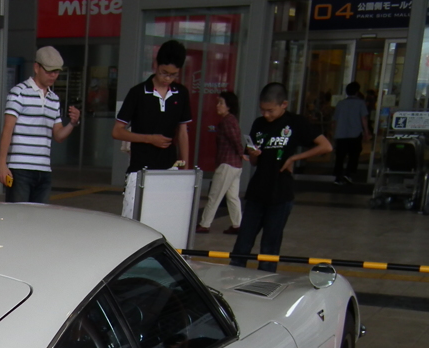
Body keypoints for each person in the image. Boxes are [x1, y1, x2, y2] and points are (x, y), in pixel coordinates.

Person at [232, 82, 332, 271]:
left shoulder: (295, 122)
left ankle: (264, 282)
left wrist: (295, 157)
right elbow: (254, 162)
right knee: (243, 243)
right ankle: (233, 276)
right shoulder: (259, 124)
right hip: (257, 191)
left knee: (270, 245)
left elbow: (325, 146)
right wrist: (253, 156)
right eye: (262, 110)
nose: (266, 115)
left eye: (270, 110)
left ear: (283, 104)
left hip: (280, 193)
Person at [113, 40, 193, 219]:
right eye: (164, 73)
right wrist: (149, 139)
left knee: (164, 221)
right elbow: (117, 131)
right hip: (140, 169)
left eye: (173, 75)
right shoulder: (138, 93)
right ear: (155, 64)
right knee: (132, 221)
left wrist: (186, 169)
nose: (167, 78)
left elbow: (182, 132)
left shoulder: (181, 93)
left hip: (169, 169)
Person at [0, 46, 81, 203]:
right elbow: (7, 129)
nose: (53, 75)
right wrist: (2, 164)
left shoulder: (54, 99)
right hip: (20, 168)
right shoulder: (18, 92)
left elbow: (58, 135)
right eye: (49, 71)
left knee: (39, 220)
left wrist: (73, 123)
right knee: (18, 218)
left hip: (43, 169)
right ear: (36, 67)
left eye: (56, 72)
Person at [196, 91, 243, 235]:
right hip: (235, 165)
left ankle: (204, 224)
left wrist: (242, 153)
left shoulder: (227, 121)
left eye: (221, 103)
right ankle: (237, 225)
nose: (218, 106)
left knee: (214, 195)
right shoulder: (232, 120)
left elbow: (235, 140)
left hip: (226, 164)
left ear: (228, 106)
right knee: (232, 196)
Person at [332, 81, 370, 185]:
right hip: (355, 133)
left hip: (340, 134)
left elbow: (335, 120)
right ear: (357, 92)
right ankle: (348, 174)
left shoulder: (340, 103)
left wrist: (333, 133)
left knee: (340, 156)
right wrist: (367, 132)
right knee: (354, 155)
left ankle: (337, 177)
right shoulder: (360, 103)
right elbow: (364, 118)